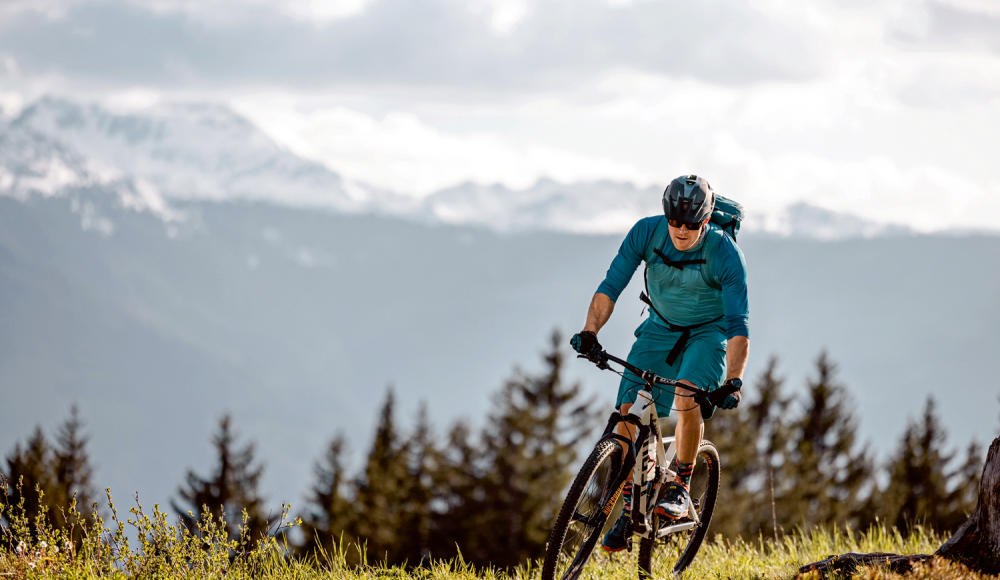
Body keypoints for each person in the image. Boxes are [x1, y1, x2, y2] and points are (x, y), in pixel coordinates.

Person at [570, 175, 749, 553]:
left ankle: (681, 484)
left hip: (709, 332)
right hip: (659, 328)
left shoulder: (726, 254)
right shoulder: (646, 233)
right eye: (675, 222)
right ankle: (632, 503)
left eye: (691, 225)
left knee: (687, 396)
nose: (681, 231)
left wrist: (733, 380)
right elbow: (611, 285)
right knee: (626, 417)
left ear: (706, 220)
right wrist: (589, 331)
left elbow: (738, 326)